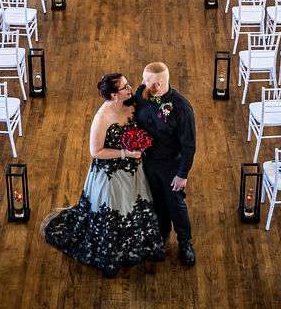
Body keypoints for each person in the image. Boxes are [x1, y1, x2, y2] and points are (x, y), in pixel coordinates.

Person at [41, 72, 165, 278]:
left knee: (136, 206)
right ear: (114, 95)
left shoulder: (133, 102)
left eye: (128, 85)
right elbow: (96, 151)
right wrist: (126, 152)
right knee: (115, 210)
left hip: (134, 169)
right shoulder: (102, 118)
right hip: (110, 173)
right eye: (125, 87)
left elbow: (151, 106)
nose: (130, 89)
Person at [129, 61, 197, 267]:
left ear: (158, 85)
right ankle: (162, 234)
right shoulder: (142, 93)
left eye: (146, 80)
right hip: (146, 162)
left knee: (176, 205)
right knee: (156, 201)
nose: (141, 83)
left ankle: (185, 243)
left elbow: (189, 146)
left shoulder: (182, 108)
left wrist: (182, 174)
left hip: (170, 166)